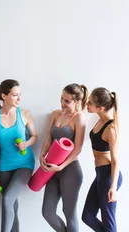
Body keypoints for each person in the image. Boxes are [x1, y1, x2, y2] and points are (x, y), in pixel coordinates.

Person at [0, 79, 38, 232]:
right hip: (4, 167)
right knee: (12, 206)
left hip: (24, 164)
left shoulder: (25, 114)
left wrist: (26, 144)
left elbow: (35, 136)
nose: (19, 99)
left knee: (8, 200)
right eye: (15, 95)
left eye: (20, 94)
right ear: (4, 96)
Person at [39, 83, 88, 232]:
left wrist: (61, 166)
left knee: (69, 213)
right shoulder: (56, 114)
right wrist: (42, 155)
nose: (62, 103)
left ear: (77, 102)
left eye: (67, 101)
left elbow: (78, 147)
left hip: (70, 170)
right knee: (47, 212)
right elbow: (49, 137)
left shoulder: (79, 118)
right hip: (52, 169)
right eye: (61, 99)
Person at [81, 87, 124, 232]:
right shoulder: (99, 120)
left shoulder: (111, 128)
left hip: (108, 175)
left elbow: (116, 160)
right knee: (87, 216)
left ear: (100, 108)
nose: (87, 104)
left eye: (90, 103)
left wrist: (113, 187)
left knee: (109, 222)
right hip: (100, 174)